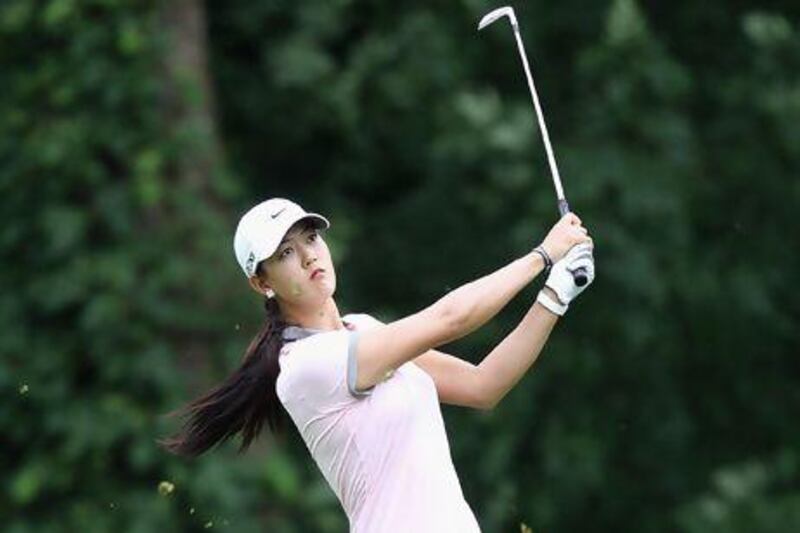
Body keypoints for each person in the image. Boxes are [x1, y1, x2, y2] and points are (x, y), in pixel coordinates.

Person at [160, 197, 595, 532]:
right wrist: (542, 255)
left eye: (310, 239)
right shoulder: (307, 366)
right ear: (262, 283)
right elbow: (450, 319)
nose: (310, 256)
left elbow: (484, 386)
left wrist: (553, 297)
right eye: (286, 253)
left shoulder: (363, 329)